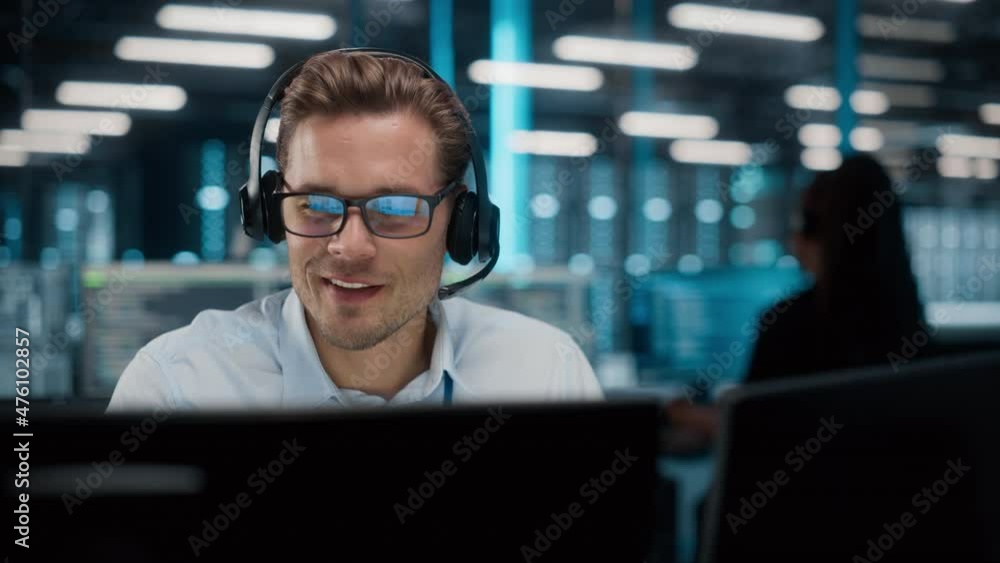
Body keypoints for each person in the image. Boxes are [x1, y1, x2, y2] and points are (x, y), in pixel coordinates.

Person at [106, 49, 603, 412]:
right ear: (271, 214)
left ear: (462, 223)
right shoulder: (177, 387)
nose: (349, 246)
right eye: (316, 205)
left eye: (394, 208)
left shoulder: (546, 375)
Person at [666, 153, 928, 441]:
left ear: (816, 237)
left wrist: (682, 413)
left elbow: (754, 432)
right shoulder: (911, 331)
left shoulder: (788, 327)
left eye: (799, 225)